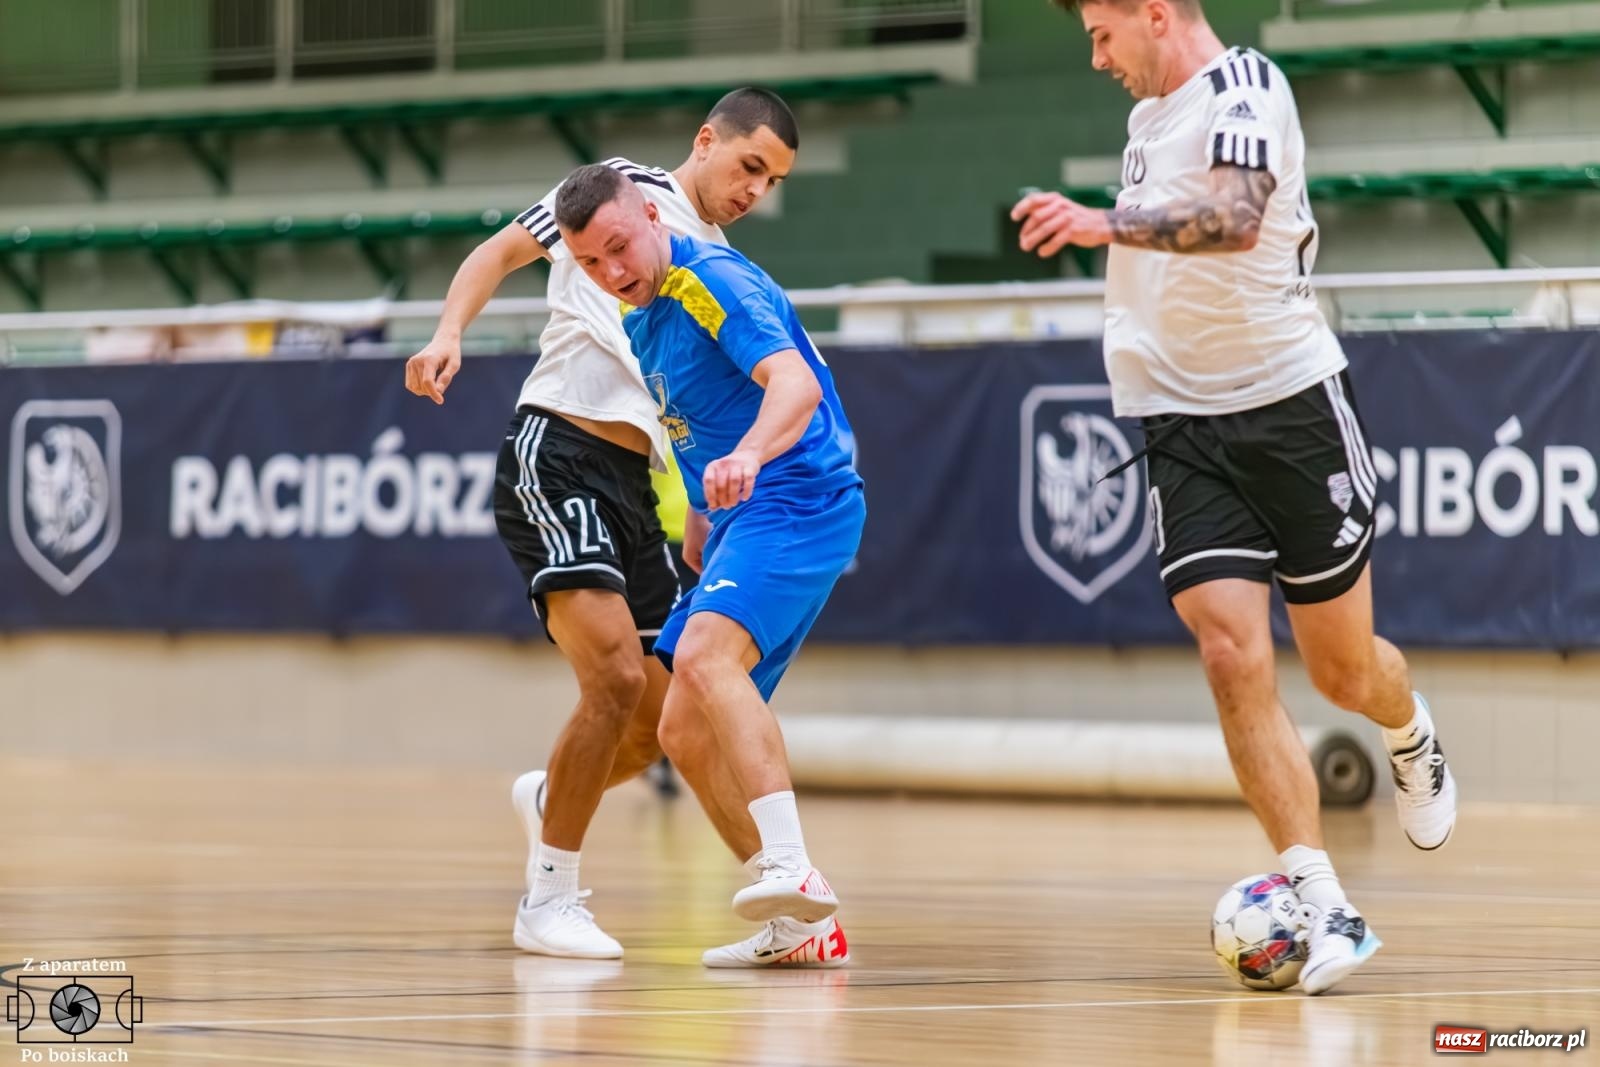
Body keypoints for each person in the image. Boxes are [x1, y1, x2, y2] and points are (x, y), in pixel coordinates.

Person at [1012, 0, 1457, 994]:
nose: (1096, 57)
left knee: (1342, 671)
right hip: (1176, 426)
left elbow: (1233, 215)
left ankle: (1408, 727)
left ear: (1156, 15)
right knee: (1227, 652)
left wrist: (1098, 221)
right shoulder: (1145, 123)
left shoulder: (1245, 88)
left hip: (1288, 411)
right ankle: (1320, 897)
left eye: (1100, 33)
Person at [404, 88, 818, 962]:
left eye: (773, 181)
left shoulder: (716, 264)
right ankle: (547, 896)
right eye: (749, 165)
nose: (755, 190)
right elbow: (499, 249)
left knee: (671, 721)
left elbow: (695, 406)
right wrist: (448, 332)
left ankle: (791, 912)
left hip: (637, 480)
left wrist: (705, 510)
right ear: (706, 141)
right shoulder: (618, 194)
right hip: (555, 452)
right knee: (617, 680)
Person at [552, 162, 864, 968]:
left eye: (619, 248)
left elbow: (791, 384)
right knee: (680, 729)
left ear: (653, 217)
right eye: (590, 264)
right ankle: (801, 926)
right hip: (742, 518)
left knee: (701, 656)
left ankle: (792, 864)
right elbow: (699, 417)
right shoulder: (643, 315)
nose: (612, 273)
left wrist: (752, 456)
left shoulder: (706, 278)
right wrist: (701, 511)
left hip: (797, 495)